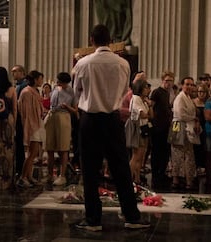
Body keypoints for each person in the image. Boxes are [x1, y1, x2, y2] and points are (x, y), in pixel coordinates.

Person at [73, 24, 150, 231]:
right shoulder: (123, 63)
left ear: (91, 40)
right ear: (110, 41)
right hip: (113, 120)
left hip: (90, 119)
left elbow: (77, 92)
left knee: (90, 170)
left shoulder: (83, 63)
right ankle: (132, 216)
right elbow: (125, 89)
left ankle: (93, 220)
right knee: (121, 168)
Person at [45, 72, 78, 186]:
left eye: (61, 82)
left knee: (63, 147)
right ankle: (50, 175)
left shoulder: (71, 91)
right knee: (50, 147)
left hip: (64, 116)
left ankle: (62, 175)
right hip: (52, 115)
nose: (58, 84)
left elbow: (75, 110)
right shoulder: (55, 88)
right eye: (58, 81)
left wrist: (66, 106)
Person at [16, 70, 45, 188]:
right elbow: (26, 113)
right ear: (35, 79)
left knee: (34, 153)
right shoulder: (27, 92)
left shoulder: (34, 91)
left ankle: (29, 175)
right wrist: (29, 128)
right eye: (40, 79)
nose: (42, 81)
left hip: (37, 123)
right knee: (31, 153)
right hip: (32, 125)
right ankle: (23, 177)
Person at [170, 77, 200, 190]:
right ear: (182, 85)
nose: (189, 87)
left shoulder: (188, 97)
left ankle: (187, 179)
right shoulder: (180, 97)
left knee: (188, 154)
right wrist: (194, 118)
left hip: (187, 125)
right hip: (178, 125)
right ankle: (176, 179)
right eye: (187, 84)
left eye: (192, 85)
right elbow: (181, 115)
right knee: (177, 153)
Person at [149, 71, 174, 188]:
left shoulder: (167, 93)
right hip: (157, 126)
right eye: (167, 80)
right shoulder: (157, 92)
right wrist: (153, 120)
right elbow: (151, 106)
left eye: (171, 81)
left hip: (166, 126)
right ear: (162, 80)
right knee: (156, 152)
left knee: (165, 152)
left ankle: (162, 173)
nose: (169, 83)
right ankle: (155, 175)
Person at [128, 79, 153, 185]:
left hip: (145, 127)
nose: (148, 90)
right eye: (146, 88)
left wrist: (150, 105)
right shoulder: (136, 98)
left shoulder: (144, 100)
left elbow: (151, 115)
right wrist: (147, 114)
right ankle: (128, 179)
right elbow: (142, 114)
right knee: (136, 155)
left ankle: (137, 179)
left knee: (141, 156)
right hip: (137, 128)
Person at [11, 65, 27, 178]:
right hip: (17, 117)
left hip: (21, 118)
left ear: (22, 72)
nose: (13, 74)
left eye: (15, 71)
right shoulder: (17, 85)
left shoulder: (24, 85)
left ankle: (20, 168)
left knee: (20, 145)